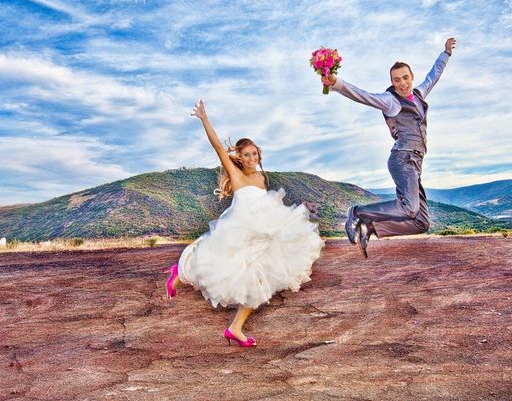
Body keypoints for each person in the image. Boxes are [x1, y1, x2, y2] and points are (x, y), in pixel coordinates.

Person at [164, 100, 324, 347]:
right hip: (239, 235)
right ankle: (178, 275)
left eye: (254, 153)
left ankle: (235, 328)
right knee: (214, 268)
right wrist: (204, 118)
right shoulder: (235, 174)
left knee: (260, 284)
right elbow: (218, 146)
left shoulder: (261, 178)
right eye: (246, 154)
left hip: (263, 236)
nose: (251, 157)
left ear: (259, 155)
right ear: (239, 157)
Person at [321, 38, 456, 258]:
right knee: (409, 208)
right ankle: (357, 212)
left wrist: (446, 54)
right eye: (397, 80)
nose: (402, 83)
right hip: (402, 159)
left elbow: (433, 76)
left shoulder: (419, 95)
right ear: (392, 82)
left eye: (405, 78)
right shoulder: (390, 100)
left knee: (421, 221)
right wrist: (336, 83)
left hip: (415, 162)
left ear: (411, 77)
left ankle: (373, 228)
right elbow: (362, 95)